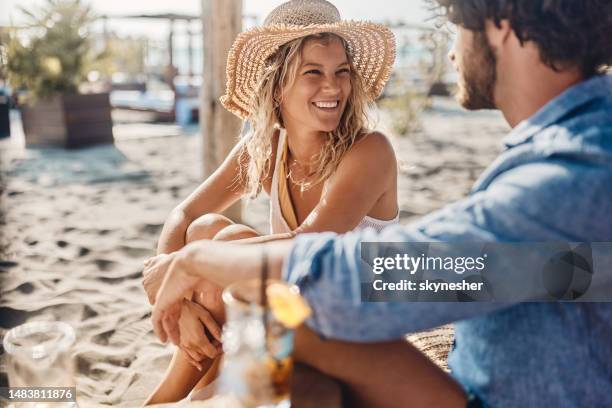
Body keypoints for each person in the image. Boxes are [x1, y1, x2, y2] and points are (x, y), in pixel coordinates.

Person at [148, 0, 612, 406]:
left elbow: (402, 275)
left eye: (457, 26)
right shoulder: (571, 146)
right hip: (486, 375)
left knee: (270, 290)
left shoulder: (571, 167)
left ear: (501, 25)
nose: (451, 51)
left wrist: (202, 261)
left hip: (494, 395)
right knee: (262, 293)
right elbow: (508, 270)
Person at [142, 0, 398, 404]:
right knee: (206, 229)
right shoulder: (266, 147)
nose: (333, 87)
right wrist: (173, 297)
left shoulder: (370, 151)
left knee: (218, 251)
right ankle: (189, 394)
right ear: (277, 84)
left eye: (341, 72)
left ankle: (174, 397)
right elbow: (185, 213)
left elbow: (305, 243)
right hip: (294, 306)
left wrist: (187, 268)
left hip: (354, 320)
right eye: (313, 72)